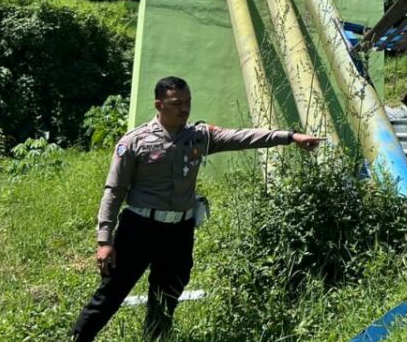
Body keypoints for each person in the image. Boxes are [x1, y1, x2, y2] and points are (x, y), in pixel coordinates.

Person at [71, 76, 324, 341]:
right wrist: (104, 240)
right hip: (139, 228)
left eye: (188, 102)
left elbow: (243, 136)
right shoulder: (135, 141)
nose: (184, 108)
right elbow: (114, 191)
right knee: (113, 292)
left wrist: (290, 136)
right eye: (176, 103)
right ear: (159, 105)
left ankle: (156, 337)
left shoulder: (199, 137)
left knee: (168, 292)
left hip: (179, 230)